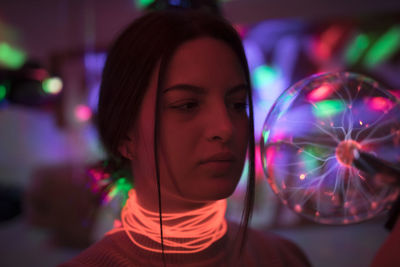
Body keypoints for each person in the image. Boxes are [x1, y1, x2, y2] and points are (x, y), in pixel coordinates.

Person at [59, 10, 311, 267]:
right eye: (188, 105)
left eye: (237, 104)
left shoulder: (284, 259)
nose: (225, 128)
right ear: (125, 134)